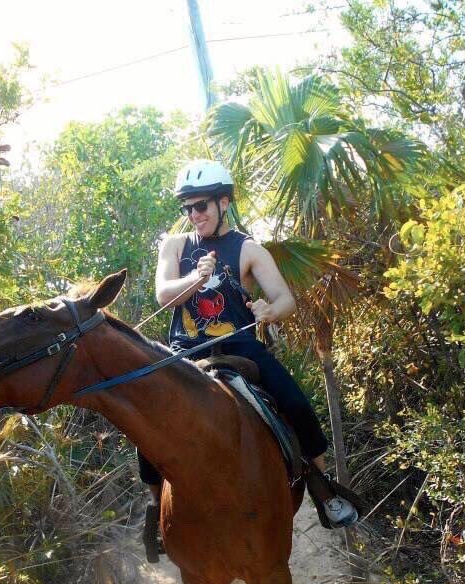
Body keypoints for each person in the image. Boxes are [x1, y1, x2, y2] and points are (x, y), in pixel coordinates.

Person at [139, 159, 359, 562]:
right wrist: (195, 280)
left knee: (295, 403)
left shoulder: (247, 248)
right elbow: (162, 296)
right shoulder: (175, 247)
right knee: (144, 421)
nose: (194, 215)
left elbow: (285, 298)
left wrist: (270, 312)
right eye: (187, 208)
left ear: (224, 202)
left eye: (201, 205)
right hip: (184, 351)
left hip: (237, 349)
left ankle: (321, 485)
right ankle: (156, 507)